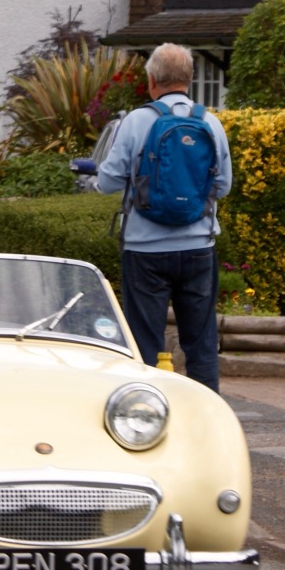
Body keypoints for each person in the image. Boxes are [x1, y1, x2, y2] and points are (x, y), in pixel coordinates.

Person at [96, 42, 233, 393]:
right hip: (199, 247)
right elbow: (224, 185)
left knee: (144, 342)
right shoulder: (211, 123)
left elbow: (109, 182)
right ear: (189, 79)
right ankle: (206, 419)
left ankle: (145, 415)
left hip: (145, 251)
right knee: (201, 342)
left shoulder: (137, 121)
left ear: (152, 80)